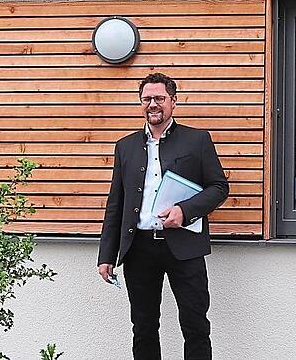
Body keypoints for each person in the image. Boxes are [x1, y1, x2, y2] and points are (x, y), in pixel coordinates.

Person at [97, 72, 229, 360]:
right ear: (140, 103)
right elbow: (116, 203)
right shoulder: (125, 146)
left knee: (195, 326)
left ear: (173, 102)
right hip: (139, 249)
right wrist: (106, 254)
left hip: (184, 246)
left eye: (159, 98)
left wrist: (185, 210)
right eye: (147, 99)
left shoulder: (198, 140)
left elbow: (219, 187)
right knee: (143, 328)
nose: (153, 104)